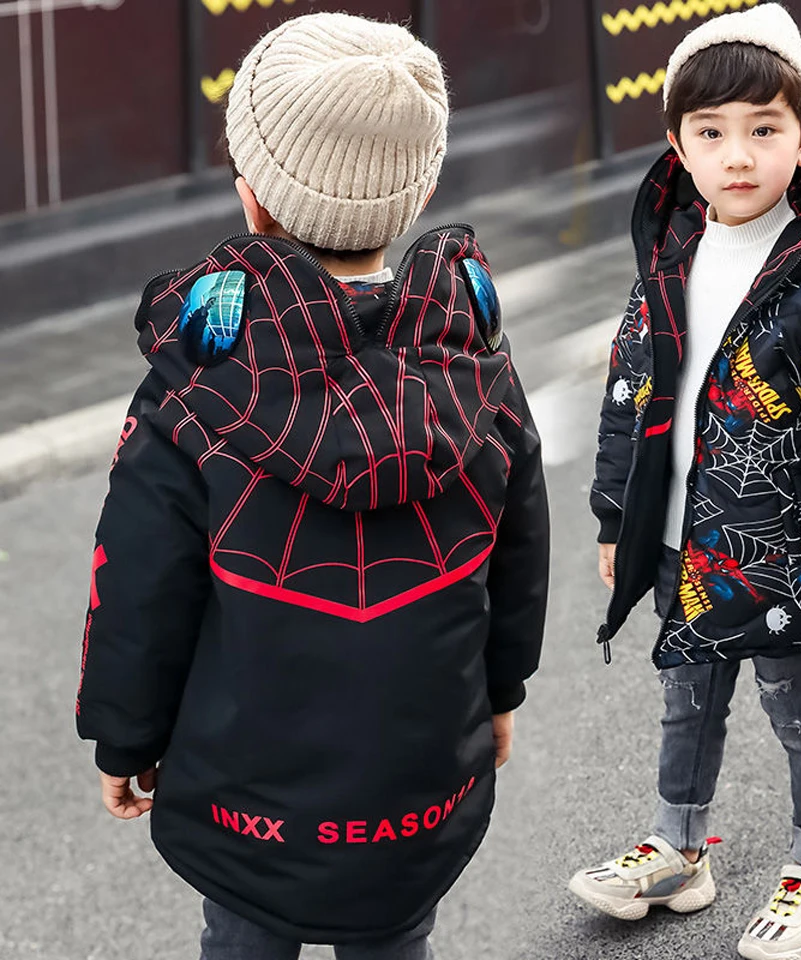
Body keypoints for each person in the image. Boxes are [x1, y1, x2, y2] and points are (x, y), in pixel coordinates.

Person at [75, 13, 549, 960]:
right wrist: (501, 694)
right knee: (397, 937)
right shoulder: (469, 366)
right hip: (422, 789)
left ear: (251, 201)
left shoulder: (203, 387)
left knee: (243, 939)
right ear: (419, 192)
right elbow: (517, 553)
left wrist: (124, 738)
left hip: (244, 807)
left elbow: (137, 584)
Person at [568, 5, 801, 959]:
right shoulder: (668, 259)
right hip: (682, 542)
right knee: (687, 697)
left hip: (784, 557)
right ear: (678, 145)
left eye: (764, 129)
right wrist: (616, 518)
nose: (739, 156)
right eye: (711, 134)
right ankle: (680, 848)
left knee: (800, 712)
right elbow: (631, 395)